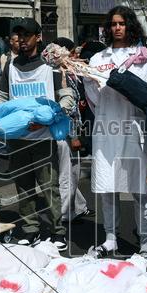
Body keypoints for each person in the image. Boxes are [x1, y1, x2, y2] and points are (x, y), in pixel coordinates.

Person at [0, 18, 74, 247]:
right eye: (18, 35)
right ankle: (30, 229)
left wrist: (54, 117)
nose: (22, 40)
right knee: (23, 187)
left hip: (44, 138)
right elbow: (2, 95)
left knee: (49, 187)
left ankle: (57, 231)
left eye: (26, 35)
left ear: (38, 37)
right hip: (18, 138)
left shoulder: (51, 65)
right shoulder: (10, 65)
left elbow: (66, 95)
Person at [85, 6, 147, 258]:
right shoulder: (97, 59)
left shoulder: (145, 57)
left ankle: (145, 242)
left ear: (130, 26)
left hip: (133, 129)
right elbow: (93, 98)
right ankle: (110, 238)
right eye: (113, 24)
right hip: (106, 130)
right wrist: (97, 85)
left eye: (122, 23)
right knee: (108, 188)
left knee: (139, 190)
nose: (117, 28)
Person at [52, 37, 89, 221]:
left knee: (70, 172)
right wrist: (72, 135)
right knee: (67, 174)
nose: (76, 55)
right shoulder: (58, 73)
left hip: (69, 128)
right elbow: (66, 108)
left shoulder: (66, 72)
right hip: (64, 130)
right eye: (73, 52)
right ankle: (64, 216)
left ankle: (78, 207)